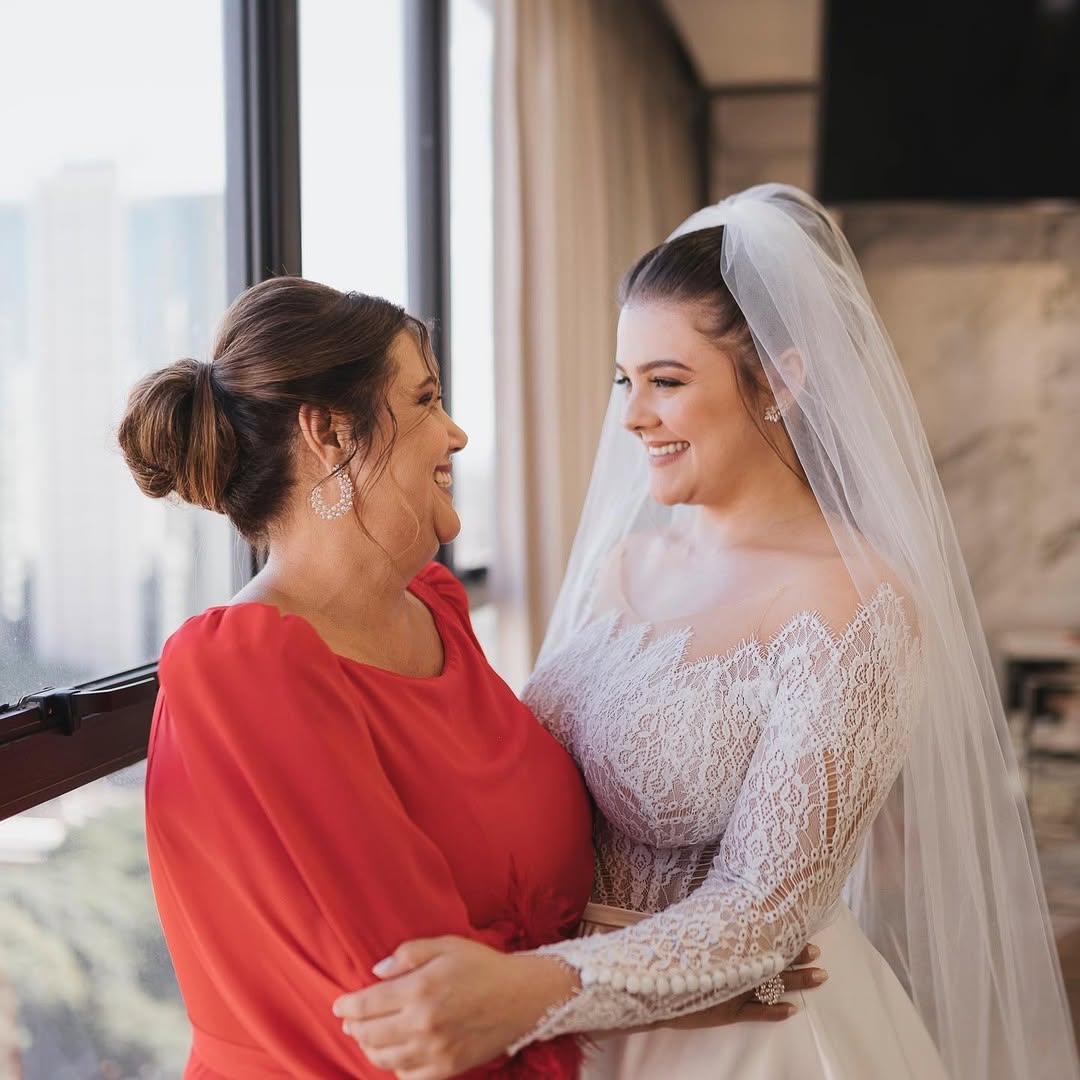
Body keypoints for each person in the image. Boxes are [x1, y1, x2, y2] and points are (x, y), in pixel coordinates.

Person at [334, 185, 1080, 1079]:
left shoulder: (851, 606)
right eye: (625, 380)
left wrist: (521, 991)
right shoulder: (625, 567)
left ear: (782, 379)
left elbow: (766, 908)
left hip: (744, 1041)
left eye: (667, 382)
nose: (632, 415)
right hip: (563, 1022)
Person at [118, 276, 821, 1078]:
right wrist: (647, 993)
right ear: (330, 433)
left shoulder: (436, 610)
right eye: (424, 401)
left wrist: (652, 976)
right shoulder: (244, 670)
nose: (453, 435)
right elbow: (427, 1011)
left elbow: (510, 944)